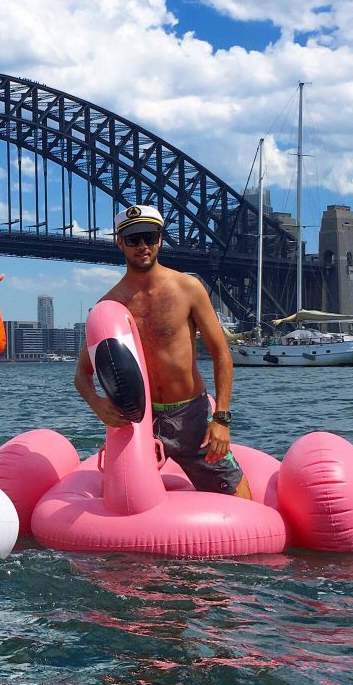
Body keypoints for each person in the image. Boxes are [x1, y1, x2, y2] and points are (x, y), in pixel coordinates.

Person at [74, 204, 252, 499]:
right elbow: (82, 374)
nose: (142, 246)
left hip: (190, 416)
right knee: (123, 505)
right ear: (120, 242)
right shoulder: (110, 306)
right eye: (133, 239)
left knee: (238, 498)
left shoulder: (188, 288)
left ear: (160, 239)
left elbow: (221, 353)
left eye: (149, 237)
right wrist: (96, 402)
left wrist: (221, 419)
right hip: (136, 420)